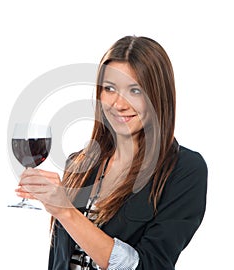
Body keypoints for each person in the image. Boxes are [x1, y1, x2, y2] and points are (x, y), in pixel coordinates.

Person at [16, 35, 208, 270]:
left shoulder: (184, 169)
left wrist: (66, 211)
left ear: (158, 95)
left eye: (135, 90)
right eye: (109, 88)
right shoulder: (79, 163)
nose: (119, 103)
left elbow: (150, 265)